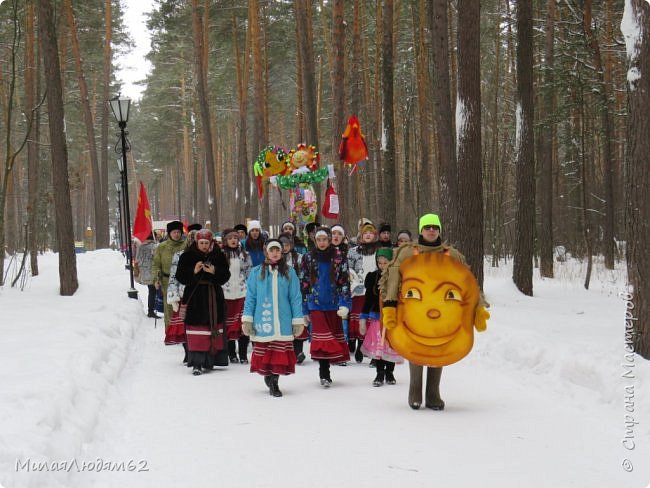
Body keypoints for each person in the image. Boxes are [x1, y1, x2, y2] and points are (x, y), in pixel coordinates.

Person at [380, 213, 467, 410]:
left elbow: (464, 279)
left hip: (441, 311)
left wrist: (473, 306)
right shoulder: (408, 252)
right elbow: (393, 277)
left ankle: (433, 393)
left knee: (438, 348)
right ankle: (415, 390)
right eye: (427, 227)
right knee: (416, 346)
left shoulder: (450, 254)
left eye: (434, 227)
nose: (431, 230)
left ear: (439, 230)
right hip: (414, 309)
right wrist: (390, 305)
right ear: (421, 230)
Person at [241, 239, 305, 397]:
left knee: (278, 354)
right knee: (265, 353)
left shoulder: (289, 272)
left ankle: (274, 382)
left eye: (278, 250)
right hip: (262, 320)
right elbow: (251, 297)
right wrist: (247, 319)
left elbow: (295, 298)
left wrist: (298, 320)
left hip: (283, 320)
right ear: (266, 252)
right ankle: (268, 377)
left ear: (282, 251)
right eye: (272, 250)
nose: (275, 253)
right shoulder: (256, 272)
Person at [300, 227, 351, 387]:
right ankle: (324, 373)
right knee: (322, 339)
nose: (322, 243)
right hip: (315, 304)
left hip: (333, 304)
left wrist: (345, 303)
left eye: (324, 239)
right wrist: (304, 309)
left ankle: (327, 369)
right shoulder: (308, 258)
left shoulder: (338, 257)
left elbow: (344, 281)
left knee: (331, 338)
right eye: (319, 240)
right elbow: (304, 283)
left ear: (329, 240)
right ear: (315, 241)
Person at [175, 229, 231, 375]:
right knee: (196, 330)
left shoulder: (218, 255)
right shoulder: (187, 256)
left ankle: (210, 361)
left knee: (211, 329)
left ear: (211, 242)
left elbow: (225, 276)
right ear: (197, 242)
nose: (204, 246)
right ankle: (197, 363)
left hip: (213, 296)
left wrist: (214, 272)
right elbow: (180, 276)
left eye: (207, 243)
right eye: (202, 243)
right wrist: (193, 271)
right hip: (195, 298)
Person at [359, 247, 403, 386]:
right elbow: (368, 298)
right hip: (377, 316)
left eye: (385, 262)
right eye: (380, 262)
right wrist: (363, 317)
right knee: (380, 345)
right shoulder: (373, 277)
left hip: (392, 317)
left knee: (391, 345)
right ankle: (379, 373)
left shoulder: (397, 277)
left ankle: (390, 372)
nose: (382, 265)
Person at [346, 221, 379, 363]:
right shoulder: (353, 252)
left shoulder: (379, 251)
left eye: (371, 233)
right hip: (358, 290)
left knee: (372, 320)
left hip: (373, 291)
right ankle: (356, 342)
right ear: (361, 235)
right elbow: (349, 270)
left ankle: (367, 346)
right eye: (365, 233)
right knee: (359, 318)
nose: (368, 235)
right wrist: (354, 283)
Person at [222, 228, 253, 364]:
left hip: (242, 293)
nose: (233, 240)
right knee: (229, 326)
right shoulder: (221, 255)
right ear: (225, 240)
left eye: (235, 238)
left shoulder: (245, 255)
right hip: (226, 294)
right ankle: (231, 354)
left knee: (242, 325)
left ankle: (243, 354)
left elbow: (249, 274)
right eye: (230, 238)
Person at [152, 221, 186, 331]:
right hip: (167, 281)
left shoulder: (186, 245)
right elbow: (156, 264)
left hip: (183, 281)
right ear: (169, 233)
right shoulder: (161, 247)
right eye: (174, 232)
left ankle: (184, 332)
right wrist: (156, 278)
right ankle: (170, 331)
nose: (176, 234)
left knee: (183, 306)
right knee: (170, 307)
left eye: (178, 232)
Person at [279, 232, 307, 364]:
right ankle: (286, 351)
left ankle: (298, 351)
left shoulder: (299, 258)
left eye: (287, 245)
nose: (284, 248)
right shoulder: (276, 259)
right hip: (281, 294)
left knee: (297, 320)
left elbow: (305, 274)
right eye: (282, 245)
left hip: (297, 293)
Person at [134, 233, 158, 318]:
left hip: (144, 272)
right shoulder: (154, 246)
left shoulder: (140, 246)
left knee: (151, 291)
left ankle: (151, 310)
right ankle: (151, 311)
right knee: (153, 292)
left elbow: (137, 259)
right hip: (152, 272)